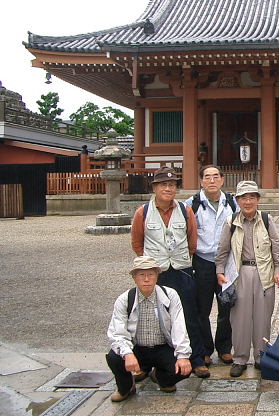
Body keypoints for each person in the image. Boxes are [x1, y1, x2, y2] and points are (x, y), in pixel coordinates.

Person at [130, 166, 210, 378]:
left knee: (189, 315)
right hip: (156, 272)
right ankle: (148, 363)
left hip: (182, 270)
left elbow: (192, 242)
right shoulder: (142, 213)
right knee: (152, 316)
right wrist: (149, 264)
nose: (168, 188)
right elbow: (137, 243)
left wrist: (181, 258)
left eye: (172, 185)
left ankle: (196, 358)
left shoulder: (185, 210)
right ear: (154, 188)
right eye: (163, 185)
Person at [216, 180, 279, 377]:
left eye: (252, 197)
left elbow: (277, 248)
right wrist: (220, 270)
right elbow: (223, 249)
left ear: (258, 199)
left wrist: (278, 270)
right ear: (237, 200)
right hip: (240, 274)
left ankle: (262, 356)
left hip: (264, 273)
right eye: (243, 198)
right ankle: (240, 358)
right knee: (239, 319)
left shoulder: (266, 220)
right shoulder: (231, 222)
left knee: (263, 318)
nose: (248, 202)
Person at [106, 256, 192, 402]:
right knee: (114, 358)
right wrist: (128, 354)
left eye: (151, 274)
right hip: (136, 347)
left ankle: (160, 377)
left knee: (184, 368)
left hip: (162, 346)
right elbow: (117, 332)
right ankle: (126, 387)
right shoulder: (124, 299)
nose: (146, 279)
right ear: (134, 277)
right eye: (141, 275)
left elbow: (179, 326)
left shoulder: (170, 295)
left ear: (157, 276)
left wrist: (183, 355)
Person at [184, 165, 236, 367]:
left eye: (216, 176)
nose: (212, 181)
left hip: (227, 262)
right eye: (207, 177)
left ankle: (224, 348)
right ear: (201, 181)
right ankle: (205, 349)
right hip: (202, 262)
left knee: (227, 306)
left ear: (222, 180)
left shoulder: (232, 202)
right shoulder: (192, 204)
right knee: (201, 308)